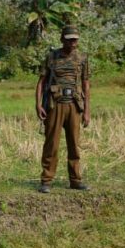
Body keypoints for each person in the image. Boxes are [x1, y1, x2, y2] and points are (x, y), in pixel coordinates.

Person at [35, 25, 91, 193]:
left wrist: (87, 111)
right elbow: (41, 82)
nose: (72, 43)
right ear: (62, 40)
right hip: (55, 105)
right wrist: (38, 104)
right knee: (51, 144)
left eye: (75, 39)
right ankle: (46, 180)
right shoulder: (52, 57)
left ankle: (75, 179)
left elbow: (86, 85)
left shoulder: (82, 58)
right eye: (69, 40)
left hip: (74, 105)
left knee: (74, 144)